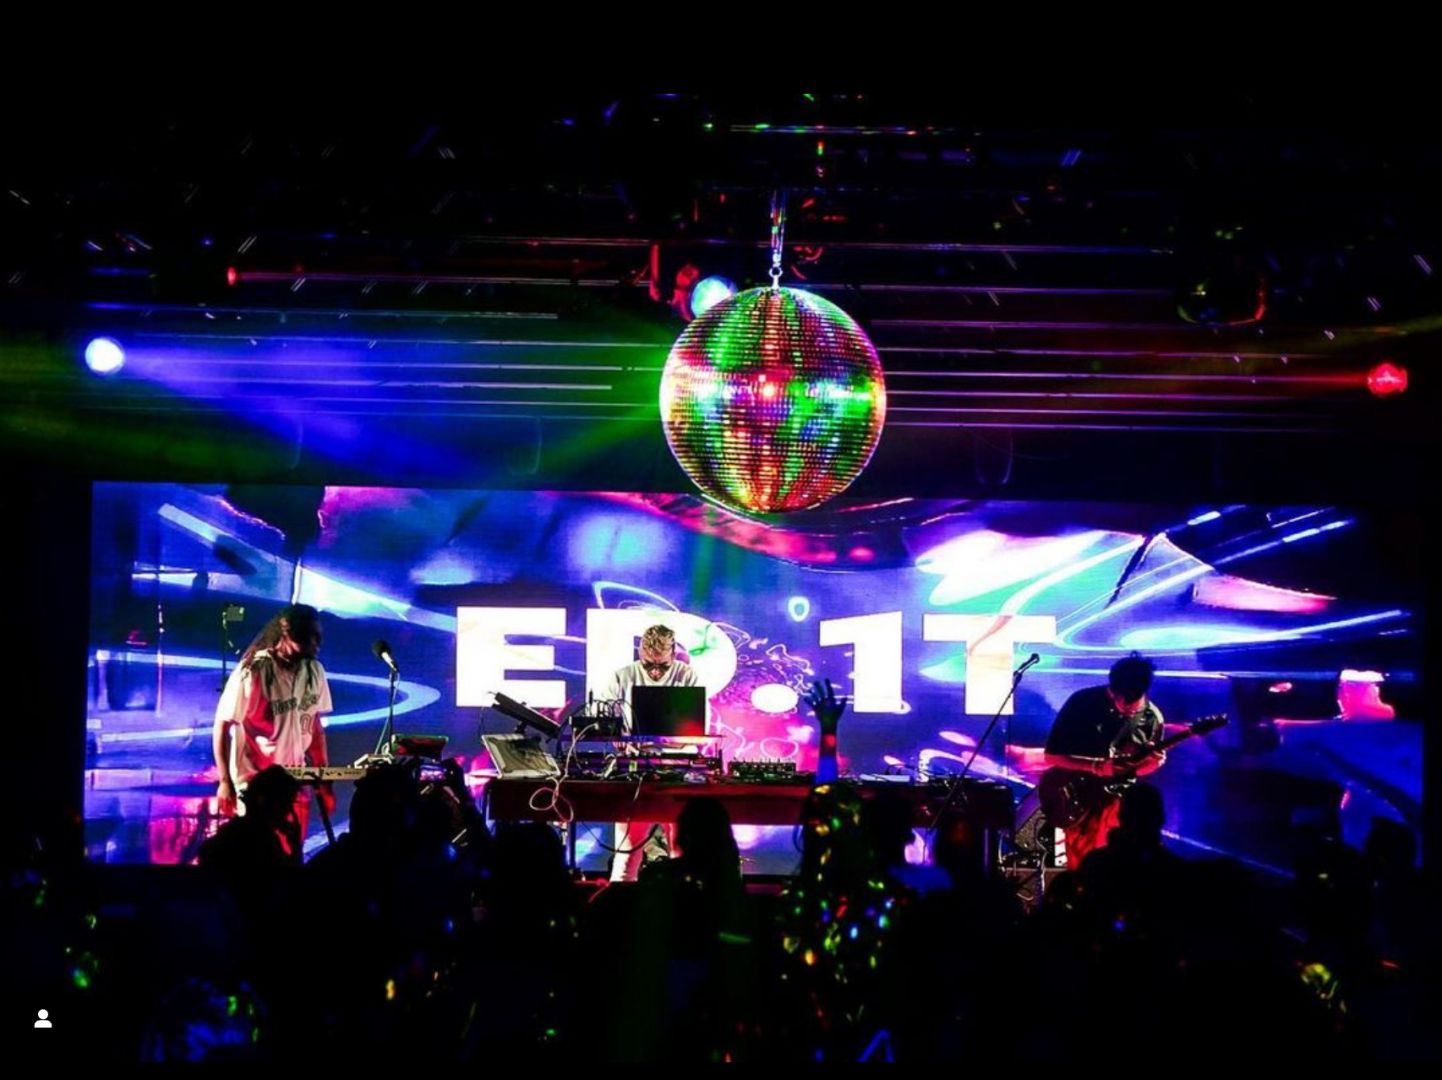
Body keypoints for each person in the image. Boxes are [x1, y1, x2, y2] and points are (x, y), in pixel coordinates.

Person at [213, 603, 334, 847]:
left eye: (318, 636)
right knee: (260, 854)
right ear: (287, 633)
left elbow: (315, 728)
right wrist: (225, 781)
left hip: (295, 782)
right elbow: (222, 726)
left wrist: (324, 779)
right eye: (309, 636)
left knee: (292, 853)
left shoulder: (315, 671)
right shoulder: (253, 671)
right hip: (257, 786)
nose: (316, 644)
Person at [1042, 653, 1165, 870]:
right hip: (1081, 801)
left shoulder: (1152, 718)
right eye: (1117, 699)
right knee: (1084, 868)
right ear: (1111, 689)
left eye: (1132, 703)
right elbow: (1052, 756)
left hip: (1119, 806)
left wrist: (1152, 765)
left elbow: (1135, 771)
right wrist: (1095, 766)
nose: (1124, 706)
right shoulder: (1083, 702)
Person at [600, 625, 701, 881]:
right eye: (648, 665)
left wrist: (664, 742)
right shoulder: (622, 677)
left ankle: (681, 900)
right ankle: (621, 901)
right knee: (627, 854)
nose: (655, 672)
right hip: (635, 772)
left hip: (677, 772)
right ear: (639, 654)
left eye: (663, 666)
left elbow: (698, 732)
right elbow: (607, 726)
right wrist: (619, 739)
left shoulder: (687, 676)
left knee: (680, 850)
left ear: (674, 656)